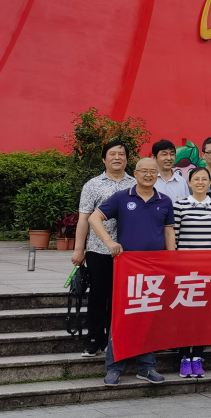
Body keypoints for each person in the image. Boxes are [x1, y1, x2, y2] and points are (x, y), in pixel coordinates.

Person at [87, 158, 173, 387]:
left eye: (153, 171)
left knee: (148, 318)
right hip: (128, 268)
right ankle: (114, 367)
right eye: (144, 171)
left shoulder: (165, 201)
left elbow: (168, 233)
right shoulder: (122, 197)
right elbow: (94, 217)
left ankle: (147, 367)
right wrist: (109, 242)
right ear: (135, 173)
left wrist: (172, 260)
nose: (148, 175)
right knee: (122, 318)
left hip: (155, 268)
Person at [71, 140, 136, 357]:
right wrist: (78, 249)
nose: (117, 158)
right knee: (98, 295)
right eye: (112, 154)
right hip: (98, 249)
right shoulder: (93, 185)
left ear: (127, 159)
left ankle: (113, 338)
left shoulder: (135, 184)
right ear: (104, 159)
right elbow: (84, 219)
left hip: (127, 251)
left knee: (120, 298)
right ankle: (94, 339)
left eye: (121, 154)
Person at [173, 167, 211, 378]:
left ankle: (197, 357)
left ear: (210, 183)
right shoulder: (180, 206)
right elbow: (175, 238)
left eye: (204, 179)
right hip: (185, 271)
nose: (200, 182)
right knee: (185, 315)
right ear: (190, 182)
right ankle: (184, 358)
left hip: (208, 269)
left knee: (203, 315)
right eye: (196, 179)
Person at [152, 139, 190, 205]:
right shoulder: (149, 180)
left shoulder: (181, 182)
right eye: (164, 154)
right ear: (154, 157)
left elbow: (187, 206)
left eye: (172, 154)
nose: (169, 158)